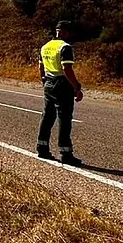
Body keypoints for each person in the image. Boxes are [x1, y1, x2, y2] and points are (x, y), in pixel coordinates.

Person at [37, 21, 83, 166]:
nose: (69, 35)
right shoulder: (65, 47)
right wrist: (76, 87)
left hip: (49, 83)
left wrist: (44, 81)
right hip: (62, 84)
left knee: (48, 116)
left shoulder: (45, 47)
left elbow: (41, 67)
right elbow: (67, 69)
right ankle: (66, 153)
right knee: (64, 118)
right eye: (68, 32)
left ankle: (42, 147)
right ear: (64, 32)